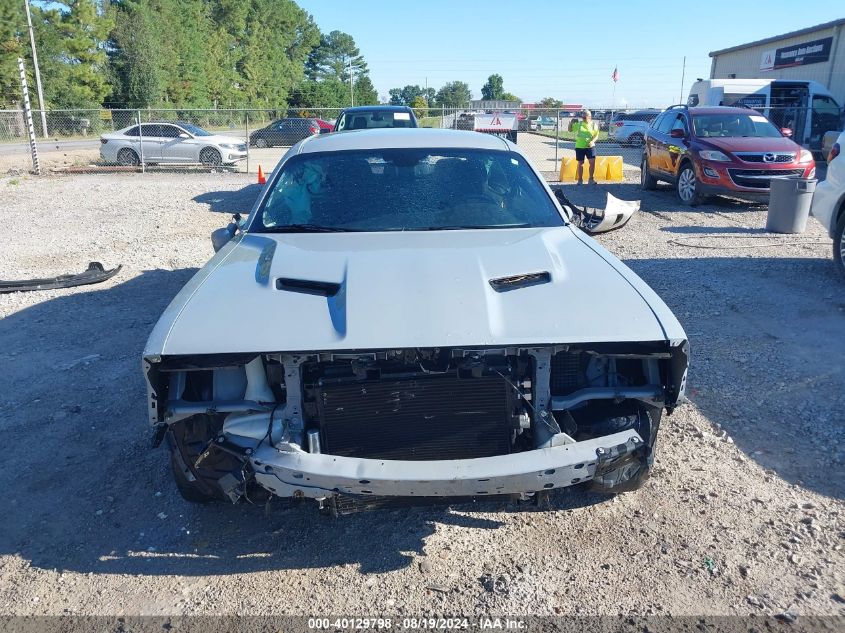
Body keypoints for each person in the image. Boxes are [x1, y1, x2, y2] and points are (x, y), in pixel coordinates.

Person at [569, 109, 600, 184]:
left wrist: (592, 141)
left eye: (585, 117)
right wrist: (570, 123)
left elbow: (596, 135)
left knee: (592, 162)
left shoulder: (593, 125)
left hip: (590, 146)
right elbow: (570, 130)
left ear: (589, 117)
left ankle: (591, 179)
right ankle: (580, 180)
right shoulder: (579, 124)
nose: (583, 119)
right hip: (580, 146)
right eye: (582, 117)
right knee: (581, 163)